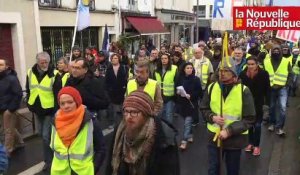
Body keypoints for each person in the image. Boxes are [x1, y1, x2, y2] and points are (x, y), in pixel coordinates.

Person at [200, 58, 256, 175]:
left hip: (234, 140)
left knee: (232, 170)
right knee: (213, 169)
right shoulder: (211, 87)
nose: (223, 73)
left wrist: (229, 131)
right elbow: (203, 108)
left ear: (234, 73)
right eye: (221, 70)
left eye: (226, 71)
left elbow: (249, 119)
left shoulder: (243, 91)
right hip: (214, 138)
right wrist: (212, 117)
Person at [105, 90, 180, 175]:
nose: (128, 117)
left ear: (146, 114)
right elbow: (109, 165)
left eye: (134, 112)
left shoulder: (164, 137)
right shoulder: (120, 130)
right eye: (126, 111)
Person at [50, 86, 106, 175]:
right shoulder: (55, 121)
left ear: (77, 102)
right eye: (62, 103)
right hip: (60, 172)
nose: (66, 106)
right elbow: (53, 149)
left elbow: (101, 149)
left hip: (83, 172)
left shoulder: (90, 121)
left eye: (70, 102)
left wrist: (94, 168)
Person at [26, 52, 58, 171]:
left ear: (49, 62)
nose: (44, 64)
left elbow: (57, 94)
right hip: (37, 109)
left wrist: (56, 110)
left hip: (50, 110)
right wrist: (29, 104)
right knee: (41, 134)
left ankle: (49, 161)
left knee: (45, 136)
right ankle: (55, 150)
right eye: (41, 62)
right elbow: (28, 88)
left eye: (46, 62)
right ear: (37, 62)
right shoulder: (30, 72)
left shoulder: (54, 74)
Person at [240, 56, 270, 156]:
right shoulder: (243, 74)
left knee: (257, 126)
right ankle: (250, 143)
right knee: (249, 125)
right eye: (248, 64)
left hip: (259, 103)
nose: (250, 66)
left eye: (252, 64)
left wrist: (266, 104)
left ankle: (257, 146)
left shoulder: (264, 74)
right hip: (247, 104)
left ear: (257, 64)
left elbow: (267, 90)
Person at [264, 44, 293, 135]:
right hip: (271, 88)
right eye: (274, 50)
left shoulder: (286, 61)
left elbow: (290, 74)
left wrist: (287, 84)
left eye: (278, 50)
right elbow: (264, 75)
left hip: (283, 88)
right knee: (272, 107)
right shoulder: (267, 61)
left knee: (283, 108)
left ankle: (280, 127)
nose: (276, 51)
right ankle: (272, 123)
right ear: (271, 51)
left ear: (280, 51)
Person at [0, 58, 24, 157]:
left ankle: (7, 151)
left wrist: (10, 109)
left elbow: (18, 94)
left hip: (8, 109)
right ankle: (20, 142)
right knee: (8, 127)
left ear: (6, 66)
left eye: (1, 65)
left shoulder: (11, 78)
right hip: (1, 107)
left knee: (7, 130)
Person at [176, 63, 202, 150]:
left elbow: (199, 92)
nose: (189, 69)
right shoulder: (180, 78)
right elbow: (176, 87)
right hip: (182, 103)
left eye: (191, 68)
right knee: (186, 121)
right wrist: (178, 92)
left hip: (191, 104)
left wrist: (191, 95)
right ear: (184, 69)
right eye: (187, 68)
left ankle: (184, 141)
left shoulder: (196, 79)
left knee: (187, 122)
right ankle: (190, 134)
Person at [105, 53, 128, 127]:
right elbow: (106, 81)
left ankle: (125, 123)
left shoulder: (124, 67)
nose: (114, 60)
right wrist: (108, 90)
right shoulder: (108, 69)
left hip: (122, 91)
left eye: (116, 58)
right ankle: (116, 124)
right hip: (113, 93)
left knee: (123, 109)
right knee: (114, 110)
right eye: (113, 58)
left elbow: (127, 79)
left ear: (119, 59)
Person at [154, 53, 178, 124]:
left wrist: (175, 95)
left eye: (165, 58)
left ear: (168, 59)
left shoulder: (174, 68)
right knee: (159, 115)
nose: (163, 60)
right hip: (159, 96)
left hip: (169, 96)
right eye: (162, 58)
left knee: (168, 115)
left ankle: (169, 132)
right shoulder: (156, 69)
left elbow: (176, 82)